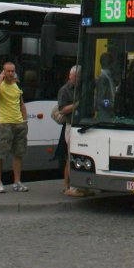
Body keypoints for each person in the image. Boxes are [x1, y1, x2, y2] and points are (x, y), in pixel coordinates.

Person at [0, 61, 28, 193]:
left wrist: (25, 120)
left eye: (12, 71)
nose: (10, 73)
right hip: (5, 124)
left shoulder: (17, 86)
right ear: (3, 72)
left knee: (18, 154)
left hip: (19, 124)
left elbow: (21, 104)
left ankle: (17, 182)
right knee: (0, 154)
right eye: (8, 71)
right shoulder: (0, 86)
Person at [56, 65, 89, 197]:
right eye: (75, 76)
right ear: (70, 76)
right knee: (71, 156)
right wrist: (76, 105)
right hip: (71, 125)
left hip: (81, 125)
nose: (77, 79)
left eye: (79, 77)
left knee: (78, 157)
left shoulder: (82, 88)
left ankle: (78, 186)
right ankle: (68, 186)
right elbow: (62, 109)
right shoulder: (65, 90)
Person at [94, 52, 117, 119]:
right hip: (104, 115)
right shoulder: (102, 79)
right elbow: (100, 100)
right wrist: (110, 104)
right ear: (110, 64)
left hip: (108, 113)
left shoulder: (109, 77)